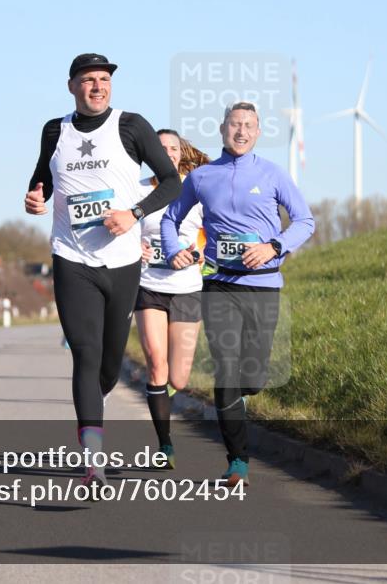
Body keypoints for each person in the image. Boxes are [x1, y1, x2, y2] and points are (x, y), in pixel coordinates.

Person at [25, 53, 181, 488]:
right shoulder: (55, 130)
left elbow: (172, 182)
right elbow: (41, 182)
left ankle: (97, 401)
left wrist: (134, 214)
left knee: (109, 364)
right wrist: (34, 199)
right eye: (89, 80)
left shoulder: (131, 126)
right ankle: (93, 458)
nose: (98, 86)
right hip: (71, 258)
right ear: (72, 86)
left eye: (104, 79)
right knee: (86, 353)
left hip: (122, 261)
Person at [161, 101, 315, 486]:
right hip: (219, 285)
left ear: (258, 132)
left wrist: (274, 247)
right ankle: (238, 462)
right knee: (226, 370)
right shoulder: (202, 177)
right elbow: (170, 218)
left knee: (254, 377)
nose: (241, 131)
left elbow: (305, 220)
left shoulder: (273, 173)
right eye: (234, 124)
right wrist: (173, 250)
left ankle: (243, 396)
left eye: (248, 125)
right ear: (222, 129)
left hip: (263, 286)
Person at [135, 130, 210, 469]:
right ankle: (164, 444)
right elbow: (120, 229)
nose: (167, 153)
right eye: (161, 147)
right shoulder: (137, 189)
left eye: (173, 148)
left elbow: (211, 232)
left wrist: (201, 252)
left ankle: (163, 396)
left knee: (178, 378)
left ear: (182, 153)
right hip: (148, 284)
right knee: (156, 364)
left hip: (187, 287)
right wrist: (135, 246)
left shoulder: (195, 189)